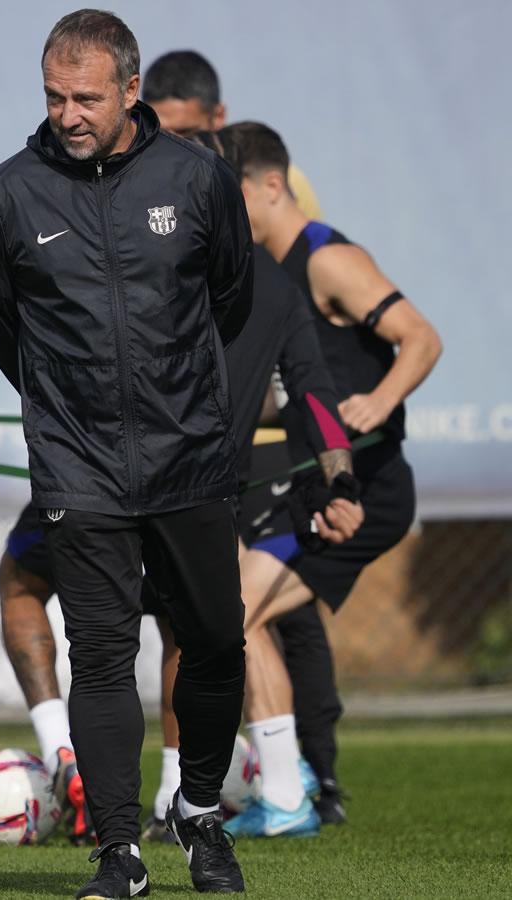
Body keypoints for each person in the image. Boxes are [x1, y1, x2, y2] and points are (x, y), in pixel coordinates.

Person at [0, 134, 358, 848]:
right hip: (189, 483)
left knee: (54, 604)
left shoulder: (181, 258)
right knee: (201, 631)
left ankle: (73, 757)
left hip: (104, 469)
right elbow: (311, 396)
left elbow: (27, 295)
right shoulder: (270, 284)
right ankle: (188, 795)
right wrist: (340, 481)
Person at [0, 10, 256, 896]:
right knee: (97, 652)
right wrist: (68, 407)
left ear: (131, 90)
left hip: (189, 457)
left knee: (211, 642)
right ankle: (117, 852)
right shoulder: (8, 193)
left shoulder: (198, 178)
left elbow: (231, 299)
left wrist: (179, 397)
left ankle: (199, 814)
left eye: (86, 97)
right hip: (77, 464)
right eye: (54, 96)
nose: (68, 113)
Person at [140, 48, 350, 832]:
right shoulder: (155, 270)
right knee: (199, 627)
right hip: (171, 483)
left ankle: (263, 792)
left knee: (217, 625)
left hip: (199, 485)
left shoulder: (279, 277)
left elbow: (314, 390)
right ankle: (221, 795)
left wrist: (341, 485)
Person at [216, 120, 442, 838]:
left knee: (238, 609)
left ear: (271, 187)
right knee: (234, 611)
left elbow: (422, 337)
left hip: (368, 489)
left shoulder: (326, 257)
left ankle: (288, 793)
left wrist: (378, 402)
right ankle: (288, 783)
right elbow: (301, 387)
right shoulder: (271, 274)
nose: (219, 211)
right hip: (315, 484)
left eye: (231, 196)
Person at [141, 50, 322, 219]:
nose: (174, 147)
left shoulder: (277, 179)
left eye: (187, 133)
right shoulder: (134, 183)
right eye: (161, 134)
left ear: (218, 116)